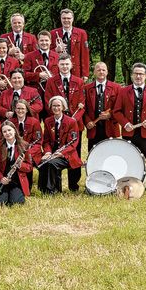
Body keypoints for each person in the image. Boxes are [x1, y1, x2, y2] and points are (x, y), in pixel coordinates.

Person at [112, 62, 146, 193]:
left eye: (141, 74)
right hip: (129, 133)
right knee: (128, 159)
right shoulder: (123, 91)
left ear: (145, 76)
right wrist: (125, 124)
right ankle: (128, 186)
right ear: (131, 75)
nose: (138, 76)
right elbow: (116, 111)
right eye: (136, 73)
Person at [43, 53, 85, 191]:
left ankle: (74, 185)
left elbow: (82, 103)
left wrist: (72, 120)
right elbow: (48, 100)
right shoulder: (51, 81)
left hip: (74, 124)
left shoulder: (79, 81)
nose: (65, 66)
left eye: (67, 64)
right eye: (62, 64)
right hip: (57, 122)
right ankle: (56, 185)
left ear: (71, 65)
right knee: (56, 154)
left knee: (74, 155)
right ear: (58, 66)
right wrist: (58, 116)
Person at [38, 96, 82, 195]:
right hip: (52, 153)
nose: (56, 108)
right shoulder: (48, 121)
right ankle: (43, 189)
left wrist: (61, 153)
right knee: (42, 161)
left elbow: (73, 142)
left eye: (58, 106)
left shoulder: (71, 121)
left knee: (52, 163)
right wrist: (48, 152)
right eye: (53, 106)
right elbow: (46, 141)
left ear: (63, 107)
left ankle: (53, 191)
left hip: (67, 154)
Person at [0, 121, 32, 206]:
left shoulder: (24, 145)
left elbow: (29, 167)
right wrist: (1, 178)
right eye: (4, 132)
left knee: (16, 203)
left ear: (14, 130)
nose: (7, 133)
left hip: (17, 181)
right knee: (0, 203)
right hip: (3, 181)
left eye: (9, 130)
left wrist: (20, 165)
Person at [83, 61, 121, 152]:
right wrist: (87, 121)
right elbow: (84, 108)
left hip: (111, 128)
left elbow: (120, 108)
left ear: (107, 72)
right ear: (94, 72)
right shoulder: (86, 88)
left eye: (103, 70)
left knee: (111, 156)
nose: (101, 72)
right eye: (98, 70)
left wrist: (110, 115)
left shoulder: (116, 88)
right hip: (93, 129)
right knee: (93, 156)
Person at [9, 99, 43, 190]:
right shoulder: (10, 122)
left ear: (27, 110)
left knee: (28, 161)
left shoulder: (34, 122)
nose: (20, 111)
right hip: (15, 151)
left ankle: (28, 187)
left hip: (31, 152)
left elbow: (38, 141)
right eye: (18, 108)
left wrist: (27, 153)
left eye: (23, 108)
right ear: (15, 110)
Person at [51, 8, 91, 79]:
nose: (66, 20)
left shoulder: (81, 33)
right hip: (58, 70)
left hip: (76, 71)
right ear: (61, 19)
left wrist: (85, 74)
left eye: (68, 18)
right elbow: (48, 53)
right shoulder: (53, 33)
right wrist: (56, 50)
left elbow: (85, 54)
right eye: (64, 18)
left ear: (72, 19)